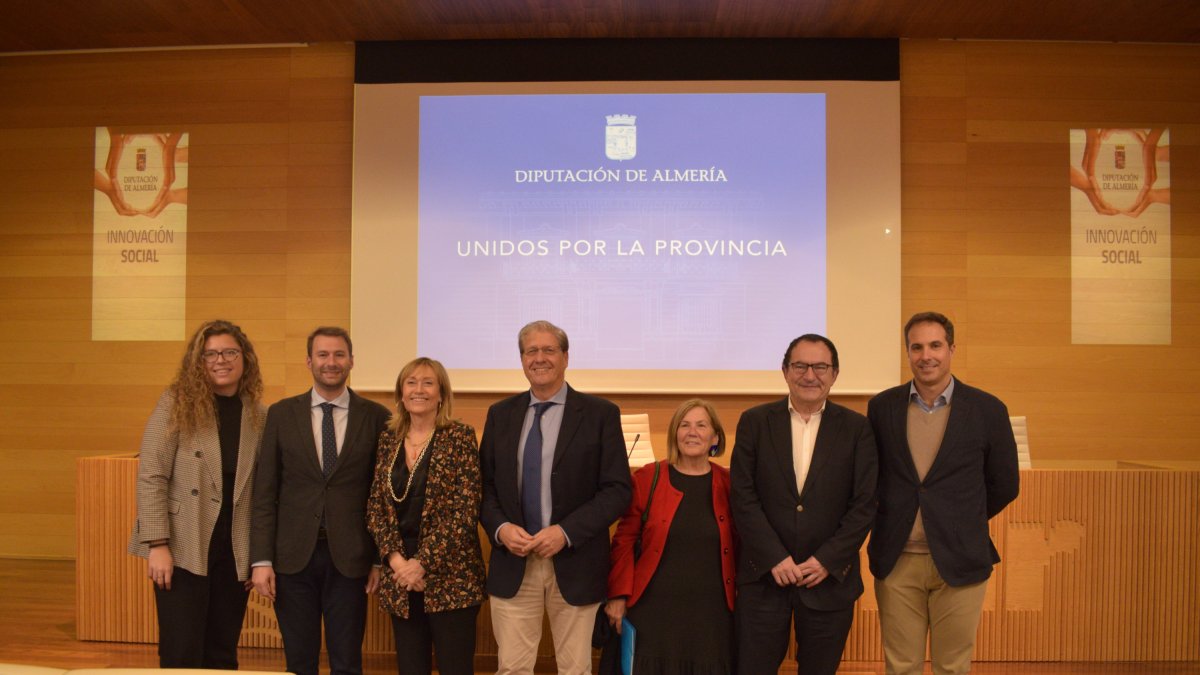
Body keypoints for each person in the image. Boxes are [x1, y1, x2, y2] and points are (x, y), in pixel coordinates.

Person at [867, 312, 1020, 675]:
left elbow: (1005, 484)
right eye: (916, 347)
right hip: (897, 560)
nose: (926, 355)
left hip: (961, 559)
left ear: (951, 349)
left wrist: (958, 520)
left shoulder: (988, 409)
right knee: (901, 666)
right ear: (907, 352)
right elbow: (871, 479)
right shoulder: (882, 408)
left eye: (935, 345)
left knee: (952, 667)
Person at [479, 320, 632, 675]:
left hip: (575, 562)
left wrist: (564, 533)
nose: (540, 358)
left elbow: (617, 490)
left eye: (549, 350)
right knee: (512, 668)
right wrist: (501, 528)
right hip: (513, 562)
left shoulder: (600, 414)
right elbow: (483, 487)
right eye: (531, 350)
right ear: (521, 359)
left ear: (565, 357)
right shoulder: (500, 415)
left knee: (574, 669)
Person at [730, 333, 877, 675]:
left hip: (828, 580)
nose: (810, 375)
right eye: (800, 365)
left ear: (835, 374)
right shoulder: (754, 422)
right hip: (765, 578)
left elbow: (865, 503)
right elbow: (743, 497)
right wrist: (774, 557)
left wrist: (827, 560)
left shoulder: (857, 429)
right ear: (785, 371)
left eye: (820, 366)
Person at [250, 326, 390, 675]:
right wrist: (261, 559)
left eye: (339, 355)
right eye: (323, 355)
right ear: (309, 361)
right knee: (299, 661)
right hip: (292, 558)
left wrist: (377, 559)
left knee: (347, 661)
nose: (331, 362)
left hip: (350, 558)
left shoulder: (376, 417)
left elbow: (382, 496)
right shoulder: (281, 415)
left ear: (352, 361)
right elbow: (265, 492)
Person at [128, 319, 266, 668]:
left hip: (233, 548)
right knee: (181, 650)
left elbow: (261, 491)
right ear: (198, 362)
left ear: (245, 358)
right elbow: (152, 475)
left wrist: (257, 555)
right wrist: (157, 544)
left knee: (222, 651)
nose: (221, 360)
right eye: (210, 354)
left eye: (230, 352)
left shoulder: (259, 415)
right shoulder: (176, 403)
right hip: (182, 544)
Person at [366, 357, 485, 675]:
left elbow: (465, 510)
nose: (419, 389)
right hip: (401, 576)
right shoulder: (387, 440)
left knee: (455, 668)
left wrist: (421, 564)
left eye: (428, 383)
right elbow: (377, 508)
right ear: (401, 394)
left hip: (452, 578)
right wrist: (398, 564)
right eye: (411, 382)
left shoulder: (459, 437)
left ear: (441, 394)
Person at [605, 399, 737, 674]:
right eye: (684, 425)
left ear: (715, 437)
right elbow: (624, 541)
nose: (692, 432)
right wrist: (617, 596)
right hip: (653, 614)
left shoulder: (730, 483)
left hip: (710, 617)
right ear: (674, 434)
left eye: (701, 425)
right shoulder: (648, 478)